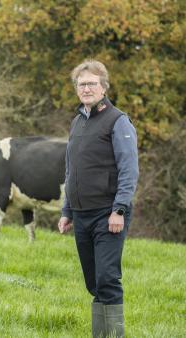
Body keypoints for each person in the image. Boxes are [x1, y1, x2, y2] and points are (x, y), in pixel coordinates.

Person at [58, 59, 139, 338]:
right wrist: (66, 210)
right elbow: (72, 170)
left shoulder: (118, 121)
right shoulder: (77, 122)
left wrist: (119, 209)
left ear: (104, 87)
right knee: (93, 282)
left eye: (92, 83)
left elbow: (129, 168)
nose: (87, 88)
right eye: (82, 84)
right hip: (81, 214)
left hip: (109, 214)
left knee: (107, 278)